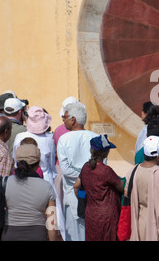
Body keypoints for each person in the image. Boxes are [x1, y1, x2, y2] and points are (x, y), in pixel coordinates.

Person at [57, 102, 98, 241]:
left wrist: (81, 177)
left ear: (73, 119)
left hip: (74, 194)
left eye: (65, 117)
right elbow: (101, 167)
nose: (63, 120)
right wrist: (88, 175)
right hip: (91, 193)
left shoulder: (64, 139)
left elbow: (66, 170)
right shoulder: (95, 137)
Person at [1, 144, 58, 241]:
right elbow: (52, 224)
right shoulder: (47, 186)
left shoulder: (4, 183)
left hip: (9, 234)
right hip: (38, 235)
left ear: (17, 162)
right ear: (38, 164)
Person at [73, 135, 124, 241]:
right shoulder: (106, 171)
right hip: (107, 216)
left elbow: (76, 186)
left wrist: (84, 199)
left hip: (91, 214)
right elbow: (122, 188)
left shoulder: (86, 167)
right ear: (106, 153)